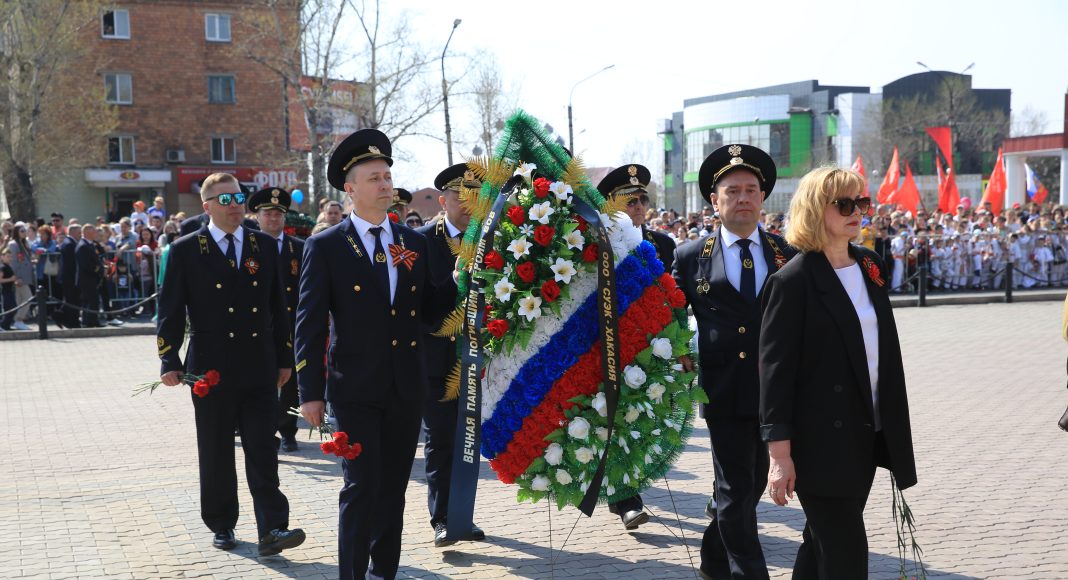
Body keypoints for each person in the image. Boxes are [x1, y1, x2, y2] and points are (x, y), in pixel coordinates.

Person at [295, 129, 447, 580]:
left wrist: (468, 279)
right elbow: (309, 323)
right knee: (361, 487)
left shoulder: (413, 242)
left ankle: (385, 571)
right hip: (355, 390)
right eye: (375, 178)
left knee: (393, 490)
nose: (385, 185)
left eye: (388, 177)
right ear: (351, 188)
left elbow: (432, 310)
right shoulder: (326, 246)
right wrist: (310, 392)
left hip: (404, 387)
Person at [760, 166, 917, 576]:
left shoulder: (869, 264)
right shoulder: (792, 281)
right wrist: (780, 455)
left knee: (822, 544)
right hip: (819, 442)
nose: (857, 211)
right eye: (844, 204)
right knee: (845, 552)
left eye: (860, 202)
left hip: (867, 432)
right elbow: (775, 375)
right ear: (815, 209)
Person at [156, 172, 305, 556]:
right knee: (216, 449)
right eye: (225, 199)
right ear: (206, 206)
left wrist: (284, 357)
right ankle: (222, 523)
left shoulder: (262, 245)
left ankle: (273, 527)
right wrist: (169, 357)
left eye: (238, 197)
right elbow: (170, 309)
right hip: (210, 365)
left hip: (258, 363)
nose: (235, 205)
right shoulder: (187, 249)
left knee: (263, 447)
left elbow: (278, 308)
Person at [672, 144, 795, 580]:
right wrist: (681, 353)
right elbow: (670, 314)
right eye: (733, 191)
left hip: (775, 389)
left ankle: (712, 561)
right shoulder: (691, 256)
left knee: (750, 485)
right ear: (714, 200)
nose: (743, 198)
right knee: (735, 486)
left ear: (763, 198)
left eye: (751, 190)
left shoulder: (786, 252)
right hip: (723, 389)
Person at [594, 163, 677, 530]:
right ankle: (626, 500)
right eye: (630, 200)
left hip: (652, 348)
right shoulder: (597, 243)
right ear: (611, 205)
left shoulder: (663, 244)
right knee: (614, 422)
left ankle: (630, 484)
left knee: (643, 423)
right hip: (610, 346)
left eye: (643, 199)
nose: (639, 206)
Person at [417, 163, 486, 547]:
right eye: (460, 196)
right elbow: (419, 307)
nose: (468, 203)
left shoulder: (492, 240)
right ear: (443, 201)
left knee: (469, 442)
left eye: (475, 195)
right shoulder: (422, 241)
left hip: (479, 360)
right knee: (442, 440)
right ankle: (443, 518)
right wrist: (455, 279)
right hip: (438, 359)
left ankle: (463, 515)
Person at [247, 186, 305, 452]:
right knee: (259, 381)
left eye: (278, 214)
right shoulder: (247, 247)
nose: (273, 218)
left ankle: (288, 430)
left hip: (291, 325)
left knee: (290, 380)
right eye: (267, 214)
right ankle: (263, 431)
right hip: (258, 326)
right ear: (257, 216)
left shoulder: (299, 248)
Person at [6, 222, 35, 331]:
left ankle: (17, 321)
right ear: (16, 232)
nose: (24, 233)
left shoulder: (23, 243)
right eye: (22, 231)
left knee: (19, 300)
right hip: (19, 277)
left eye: (25, 231)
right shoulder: (13, 244)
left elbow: (23, 259)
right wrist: (17, 277)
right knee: (28, 298)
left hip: (25, 277)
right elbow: (13, 262)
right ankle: (18, 319)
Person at [76, 225, 105, 328]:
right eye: (94, 232)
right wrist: (97, 269)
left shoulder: (90, 244)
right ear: (88, 233)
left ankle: (92, 321)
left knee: (91, 300)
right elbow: (86, 264)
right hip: (87, 278)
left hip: (91, 278)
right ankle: (90, 321)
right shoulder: (83, 246)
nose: (96, 234)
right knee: (91, 300)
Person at [58, 224, 82, 328]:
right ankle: (71, 321)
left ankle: (68, 320)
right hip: (70, 277)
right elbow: (71, 264)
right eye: (79, 233)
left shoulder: (69, 242)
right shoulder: (69, 244)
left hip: (69, 277)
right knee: (72, 300)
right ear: (73, 232)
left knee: (72, 300)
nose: (81, 235)